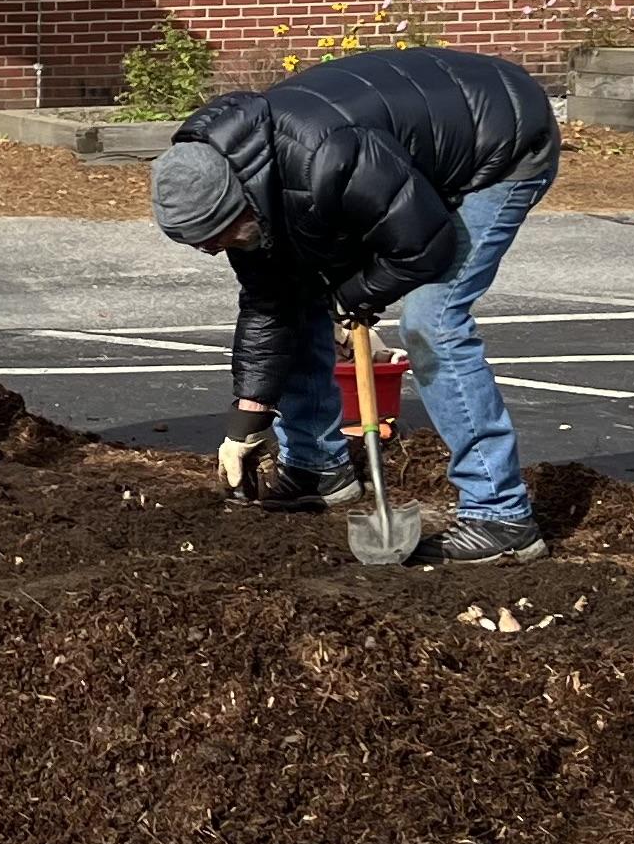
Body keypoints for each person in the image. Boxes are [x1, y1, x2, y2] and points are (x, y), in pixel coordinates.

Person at [148, 46, 560, 567]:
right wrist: (245, 423)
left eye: (214, 236)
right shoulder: (247, 184)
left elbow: (423, 247)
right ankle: (317, 466)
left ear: (243, 201)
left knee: (433, 320)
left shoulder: (327, 158)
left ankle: (501, 515)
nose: (210, 250)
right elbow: (270, 305)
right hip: (405, 153)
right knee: (295, 297)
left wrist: (354, 296)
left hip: (499, 142)